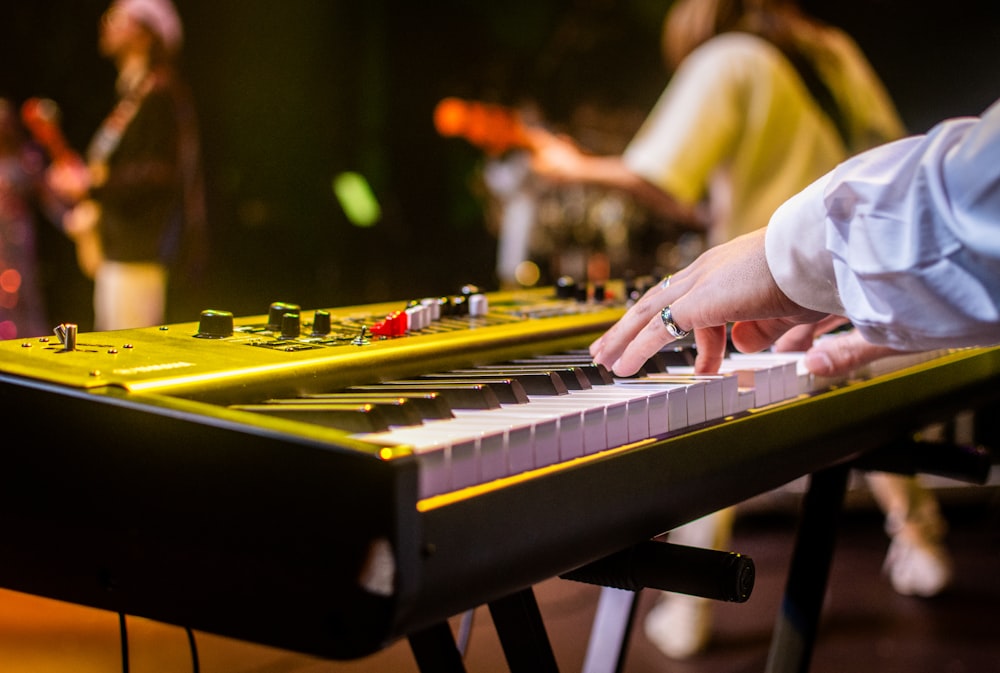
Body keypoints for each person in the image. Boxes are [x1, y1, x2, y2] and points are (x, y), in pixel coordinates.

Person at [524, 0, 949, 658]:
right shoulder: (833, 49)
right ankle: (920, 539)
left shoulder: (726, 58)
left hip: (758, 283)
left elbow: (660, 176)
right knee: (860, 397)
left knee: (714, 416)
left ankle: (688, 608)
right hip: (849, 277)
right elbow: (895, 161)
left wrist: (568, 162)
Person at [46, 0, 205, 331]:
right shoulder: (135, 93)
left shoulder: (159, 91)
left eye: (119, 18)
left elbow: (160, 173)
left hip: (138, 249)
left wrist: (93, 184)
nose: (107, 24)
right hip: (122, 246)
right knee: (113, 343)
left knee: (127, 355)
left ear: (147, 34)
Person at [0, 98, 66, 340]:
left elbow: (48, 196)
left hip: (18, 238)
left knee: (23, 290)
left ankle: (28, 342)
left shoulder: (25, 157)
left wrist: (69, 220)